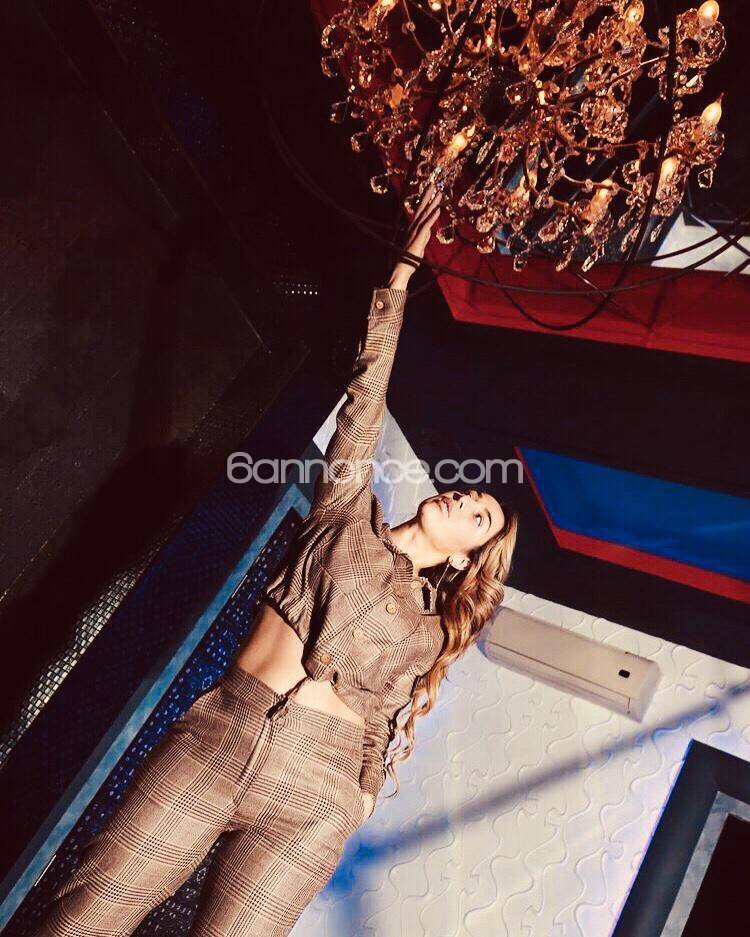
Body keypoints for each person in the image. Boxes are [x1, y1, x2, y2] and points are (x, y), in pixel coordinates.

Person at [32, 182, 518, 936]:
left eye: (479, 515)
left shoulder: (429, 630)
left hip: (316, 796)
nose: (462, 497)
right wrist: (401, 276)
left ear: (465, 561)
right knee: (86, 911)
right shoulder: (347, 514)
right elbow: (365, 401)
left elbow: (380, 720)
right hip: (225, 730)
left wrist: (359, 794)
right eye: (467, 491)